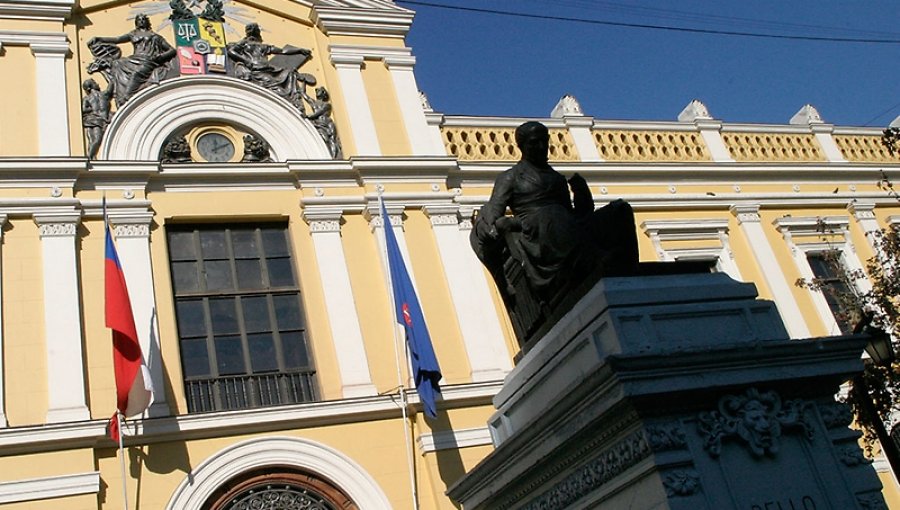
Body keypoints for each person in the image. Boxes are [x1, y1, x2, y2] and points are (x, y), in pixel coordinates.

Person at [472, 121, 638, 300]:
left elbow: (577, 218)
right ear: (521, 146)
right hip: (534, 233)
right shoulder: (509, 177)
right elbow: (493, 215)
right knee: (552, 214)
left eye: (545, 141)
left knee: (620, 210)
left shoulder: (557, 178)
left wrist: (582, 195)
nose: (542, 147)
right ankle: (595, 259)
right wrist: (508, 223)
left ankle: (630, 272)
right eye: (534, 142)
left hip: (560, 230)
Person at [88, 14, 176, 107]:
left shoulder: (155, 37)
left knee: (137, 73)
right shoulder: (133, 34)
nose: (141, 21)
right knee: (117, 63)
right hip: (135, 59)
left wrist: (160, 57)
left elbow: (172, 50)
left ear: (147, 22)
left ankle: (127, 96)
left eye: (143, 19)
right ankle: (119, 93)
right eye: (139, 20)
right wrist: (100, 39)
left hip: (148, 60)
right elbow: (118, 39)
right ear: (136, 22)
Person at [227, 23, 311, 104]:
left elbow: (282, 51)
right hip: (256, 70)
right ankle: (283, 97)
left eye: (254, 29)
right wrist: (246, 61)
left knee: (289, 73)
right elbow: (231, 51)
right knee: (272, 84)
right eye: (250, 29)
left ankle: (295, 100)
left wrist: (299, 50)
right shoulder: (243, 43)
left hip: (267, 69)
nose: (252, 31)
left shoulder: (263, 46)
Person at [81, 79, 113, 159]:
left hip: (103, 120)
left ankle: (92, 156)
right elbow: (83, 109)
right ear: (89, 87)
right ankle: (90, 157)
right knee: (96, 139)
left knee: (96, 139)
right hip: (95, 120)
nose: (97, 83)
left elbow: (111, 86)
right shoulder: (87, 98)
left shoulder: (103, 95)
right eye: (94, 83)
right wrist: (93, 110)